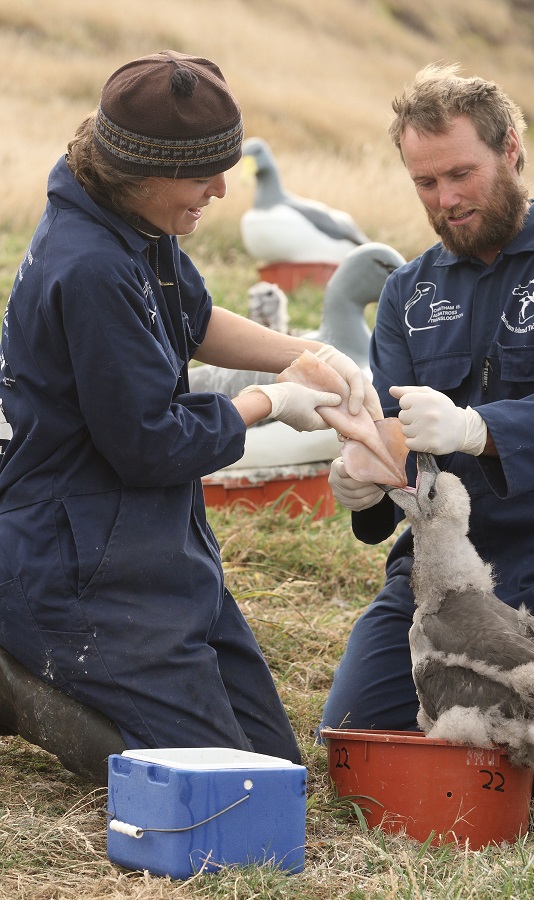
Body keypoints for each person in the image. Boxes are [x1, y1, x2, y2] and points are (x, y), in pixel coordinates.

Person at [0, 50, 377, 783]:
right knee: (233, 788)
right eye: (205, 173)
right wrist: (269, 404)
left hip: (152, 539)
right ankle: (19, 685)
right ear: (145, 169)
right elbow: (150, 445)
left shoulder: (130, 218)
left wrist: (307, 352)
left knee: (274, 767)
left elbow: (192, 316)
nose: (224, 189)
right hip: (78, 556)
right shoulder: (89, 268)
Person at [322, 62, 534, 797]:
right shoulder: (407, 292)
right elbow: (389, 445)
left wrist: (478, 429)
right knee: (359, 748)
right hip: (441, 576)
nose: (445, 200)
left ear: (511, 148)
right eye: (424, 182)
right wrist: (363, 480)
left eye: (460, 173)